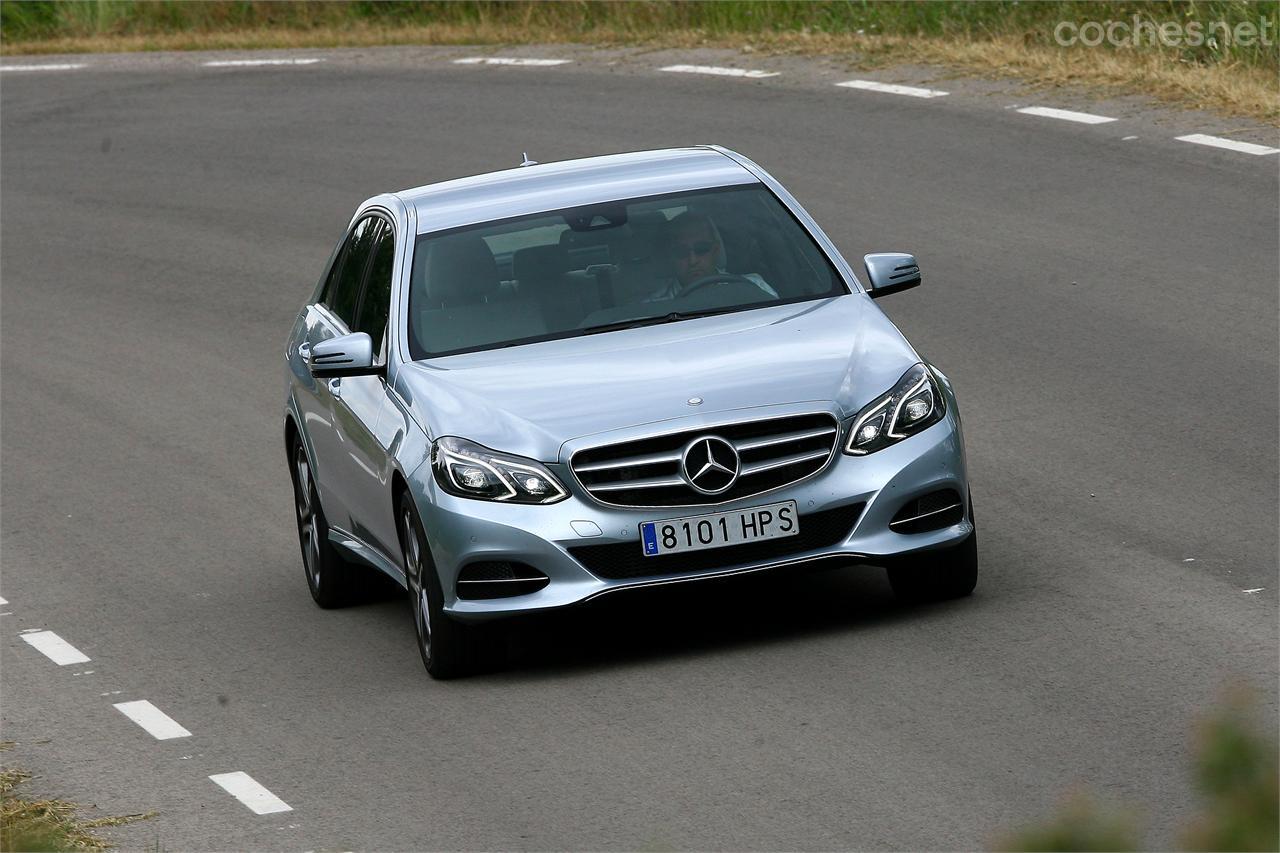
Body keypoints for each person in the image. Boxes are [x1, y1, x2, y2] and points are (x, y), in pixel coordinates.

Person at [646, 210, 777, 301]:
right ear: (671, 257)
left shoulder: (755, 287)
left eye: (701, 249)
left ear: (716, 250)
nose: (693, 260)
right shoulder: (654, 309)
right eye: (681, 252)